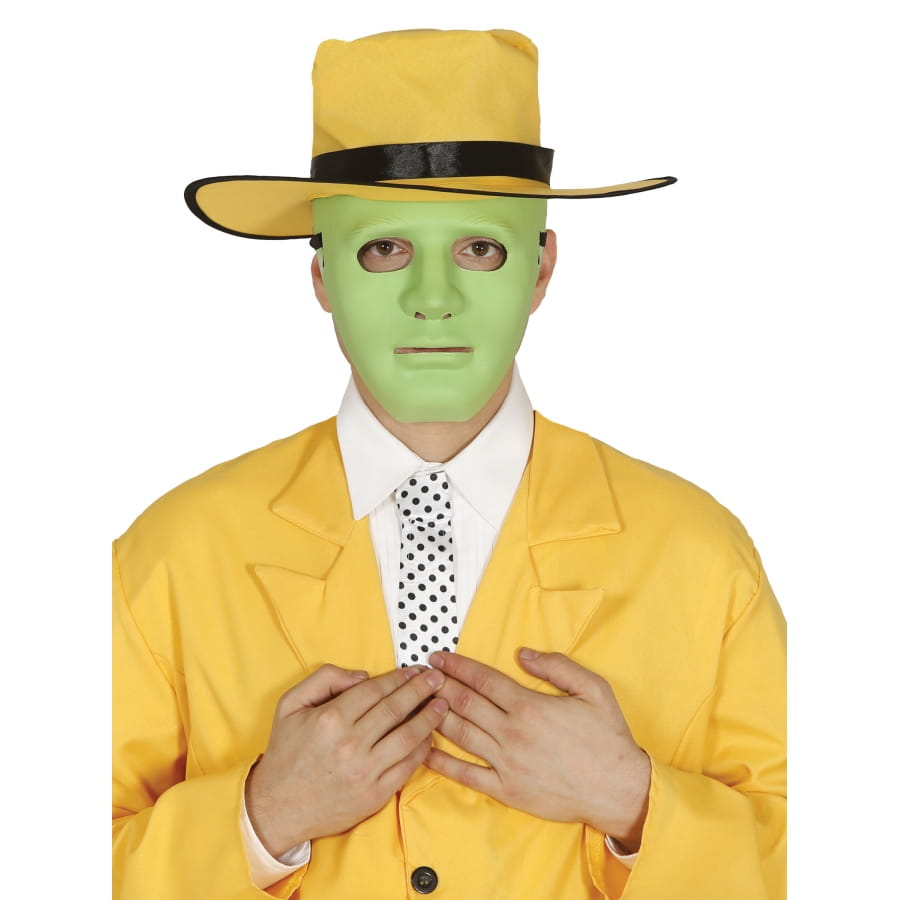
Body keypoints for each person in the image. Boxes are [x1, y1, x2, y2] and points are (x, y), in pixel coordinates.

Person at [112, 28, 785, 900]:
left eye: (481, 248)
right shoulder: (171, 557)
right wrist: (261, 818)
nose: (433, 298)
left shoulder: (699, 556)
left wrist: (636, 804)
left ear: (541, 268)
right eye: (384, 249)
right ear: (321, 278)